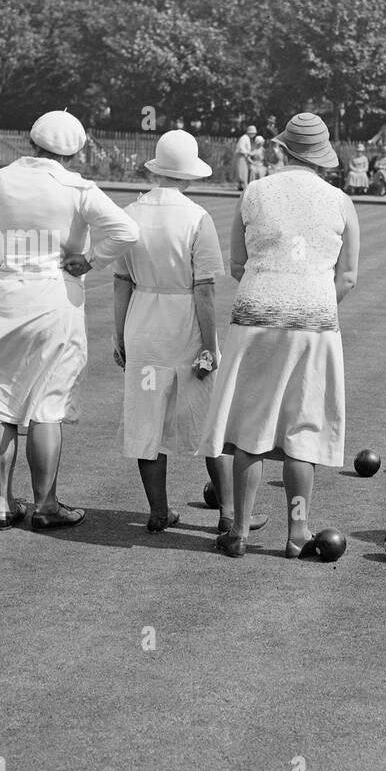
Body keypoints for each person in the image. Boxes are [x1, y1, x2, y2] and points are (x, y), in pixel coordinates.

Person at [0, 110, 139, 531]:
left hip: (4, 299)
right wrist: (90, 260)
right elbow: (126, 231)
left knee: (0, 405)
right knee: (47, 407)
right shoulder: (78, 187)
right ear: (75, 150)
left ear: (31, 142)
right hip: (54, 301)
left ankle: (1, 506)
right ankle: (46, 506)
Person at [202, 113, 359, 558]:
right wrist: (311, 304)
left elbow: (237, 264)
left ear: (284, 149)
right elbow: (347, 277)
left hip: (255, 315)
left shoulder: (254, 191)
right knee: (302, 430)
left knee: (251, 428)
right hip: (315, 320)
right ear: (321, 157)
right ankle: (296, 533)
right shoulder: (340, 201)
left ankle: (239, 532)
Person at [113, 130, 269, 535]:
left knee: (147, 420)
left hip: (142, 324)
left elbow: (121, 281)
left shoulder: (129, 212)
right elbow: (204, 289)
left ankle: (159, 512)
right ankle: (230, 515)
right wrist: (209, 346)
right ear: (189, 174)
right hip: (183, 325)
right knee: (207, 422)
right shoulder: (197, 218)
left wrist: (119, 336)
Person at [234, 125, 257, 190]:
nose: (254, 134)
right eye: (253, 133)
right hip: (242, 157)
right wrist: (248, 153)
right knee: (242, 172)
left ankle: (241, 186)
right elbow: (241, 149)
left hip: (244, 157)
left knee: (244, 172)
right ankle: (242, 186)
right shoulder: (244, 138)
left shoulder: (247, 138)